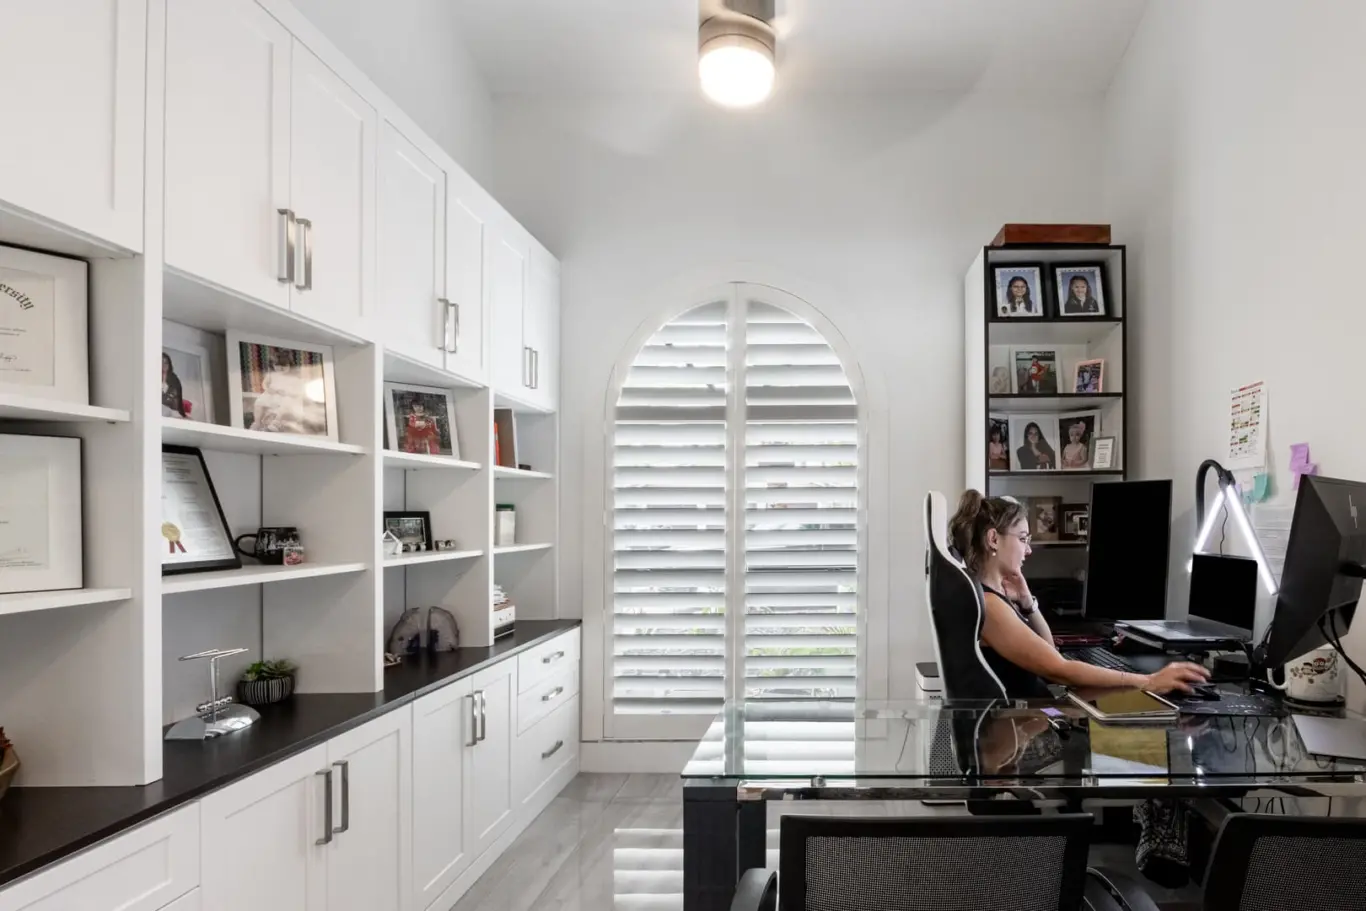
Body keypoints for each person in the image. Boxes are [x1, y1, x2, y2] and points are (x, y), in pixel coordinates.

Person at [948, 490, 1208, 698]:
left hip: (1032, 720)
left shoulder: (993, 597)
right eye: (1023, 538)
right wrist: (1149, 681)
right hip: (1024, 726)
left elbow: (1048, 653)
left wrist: (1028, 603)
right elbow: (1060, 670)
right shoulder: (990, 606)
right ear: (993, 539)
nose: (1028, 551)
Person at [161, 353, 186, 418]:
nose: (163, 365)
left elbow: (178, 400)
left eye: (166, 362)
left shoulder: (174, 380)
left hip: (173, 412)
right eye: (161, 362)